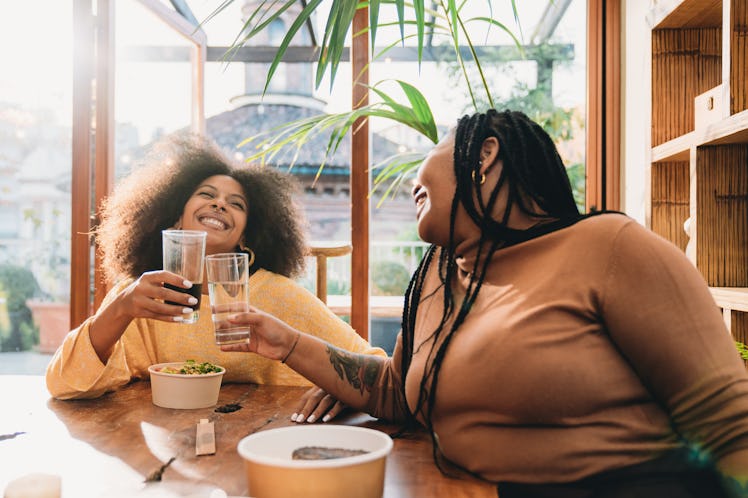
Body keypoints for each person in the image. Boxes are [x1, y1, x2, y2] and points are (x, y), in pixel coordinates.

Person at [221, 109, 748, 497]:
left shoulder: (609, 247)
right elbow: (394, 392)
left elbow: (731, 425)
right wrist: (285, 342)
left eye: (427, 159)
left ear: (484, 156)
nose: (410, 183)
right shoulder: (438, 273)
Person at [46, 133, 385, 418]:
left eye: (236, 204)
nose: (220, 205)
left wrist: (346, 390)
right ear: (175, 219)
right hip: (166, 446)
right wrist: (118, 309)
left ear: (246, 236)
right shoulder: (140, 296)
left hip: (262, 441)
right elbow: (64, 383)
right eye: (207, 196)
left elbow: (372, 369)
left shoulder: (276, 294)